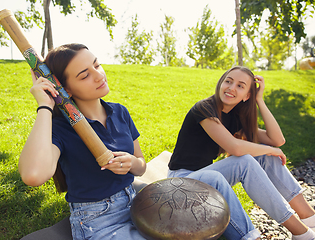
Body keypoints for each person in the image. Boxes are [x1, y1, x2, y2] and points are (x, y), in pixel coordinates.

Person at [18, 44, 260, 240]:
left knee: (213, 179)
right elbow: (34, 176)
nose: (98, 75)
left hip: (137, 201)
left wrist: (131, 162)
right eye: (85, 75)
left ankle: (249, 237)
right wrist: (44, 105)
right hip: (99, 222)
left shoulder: (119, 112)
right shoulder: (61, 128)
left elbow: (142, 166)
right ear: (65, 88)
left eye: (97, 65)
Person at [168, 66, 315, 240]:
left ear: (247, 96)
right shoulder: (204, 109)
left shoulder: (235, 117)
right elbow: (235, 148)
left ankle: (309, 217)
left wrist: (259, 100)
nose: (231, 88)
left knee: (265, 157)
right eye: (228, 81)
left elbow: (277, 140)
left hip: (206, 178)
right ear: (221, 84)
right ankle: (300, 232)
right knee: (245, 160)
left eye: (240, 85)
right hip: (182, 181)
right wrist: (271, 149)